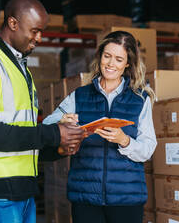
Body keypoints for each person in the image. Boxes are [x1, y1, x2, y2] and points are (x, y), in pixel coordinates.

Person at [0, 0, 84, 222]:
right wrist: (53, 133)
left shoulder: (21, 70)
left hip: (21, 191)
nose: (39, 38)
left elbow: (20, 135)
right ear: (13, 23)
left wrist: (57, 148)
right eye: (34, 31)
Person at [43, 30, 157, 223]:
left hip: (126, 199)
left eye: (119, 59)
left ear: (128, 63)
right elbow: (47, 124)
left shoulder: (139, 99)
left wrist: (125, 141)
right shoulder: (79, 96)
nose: (111, 64)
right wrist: (63, 122)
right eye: (107, 56)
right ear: (100, 57)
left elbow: (148, 149)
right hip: (85, 197)